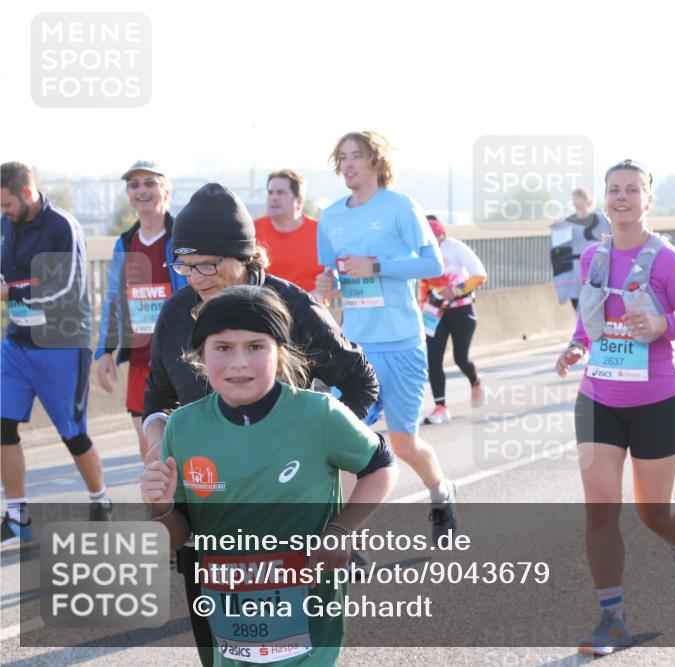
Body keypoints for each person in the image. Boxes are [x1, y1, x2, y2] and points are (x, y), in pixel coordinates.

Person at [142, 182, 379, 666]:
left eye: (207, 264)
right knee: (222, 654)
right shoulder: (175, 313)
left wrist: (318, 451)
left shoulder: (288, 306)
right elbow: (156, 401)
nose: (195, 277)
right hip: (207, 520)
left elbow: (361, 382)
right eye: (184, 264)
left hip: (291, 532)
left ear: (245, 257)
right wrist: (158, 446)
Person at [554, 160, 675, 656]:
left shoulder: (666, 259)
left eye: (632, 190)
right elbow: (589, 326)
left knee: (652, 510)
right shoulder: (592, 260)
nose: (621, 197)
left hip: (659, 399)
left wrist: (664, 325)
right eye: (614, 190)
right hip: (599, 397)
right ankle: (612, 618)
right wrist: (577, 347)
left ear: (648, 199)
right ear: (605, 199)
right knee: (600, 509)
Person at [316, 131, 459, 543]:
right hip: (356, 346)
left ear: (375, 163)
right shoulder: (331, 217)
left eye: (356, 156)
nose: (348, 165)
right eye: (342, 158)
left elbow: (432, 263)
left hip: (402, 342)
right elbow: (332, 276)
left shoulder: (399, 206)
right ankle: (347, 537)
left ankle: (441, 492)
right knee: (344, 445)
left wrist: (377, 266)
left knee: (404, 442)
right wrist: (326, 283)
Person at [1, 161, 111, 546]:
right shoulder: (6, 226)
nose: (3, 213)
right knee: (2, 425)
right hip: (17, 342)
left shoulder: (62, 227)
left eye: (6, 204)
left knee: (72, 434)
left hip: (61, 345)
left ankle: (101, 501)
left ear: (27, 194)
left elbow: (62, 289)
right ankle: (16, 516)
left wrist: (10, 293)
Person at [95, 161, 186, 460]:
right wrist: (106, 351)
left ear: (166, 191)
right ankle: (157, 506)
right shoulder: (125, 243)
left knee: (186, 443)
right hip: (141, 362)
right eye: (134, 185)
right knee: (148, 444)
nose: (141, 190)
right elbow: (113, 299)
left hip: (183, 360)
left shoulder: (183, 239)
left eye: (149, 183)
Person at [420, 216, 488, 424]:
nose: (433, 240)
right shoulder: (421, 252)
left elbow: (480, 275)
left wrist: (455, 290)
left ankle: (475, 381)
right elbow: (422, 281)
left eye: (435, 235)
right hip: (435, 312)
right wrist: (423, 305)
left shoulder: (455, 248)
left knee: (460, 358)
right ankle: (441, 406)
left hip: (461, 310)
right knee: (433, 358)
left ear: (442, 233)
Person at [253, 168, 325, 300]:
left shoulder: (321, 232)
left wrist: (318, 295)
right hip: (265, 312)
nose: (274, 197)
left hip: (310, 312)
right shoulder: (252, 231)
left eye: (281, 193)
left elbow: (340, 276)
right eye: (270, 192)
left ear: (298, 200)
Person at [550, 188, 611, 311]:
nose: (577, 201)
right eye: (575, 198)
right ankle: (581, 328)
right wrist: (557, 228)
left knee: (596, 304)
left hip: (596, 267)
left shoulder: (601, 221)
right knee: (578, 306)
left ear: (587, 200)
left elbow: (611, 240)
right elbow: (559, 248)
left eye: (580, 198)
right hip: (575, 271)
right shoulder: (567, 222)